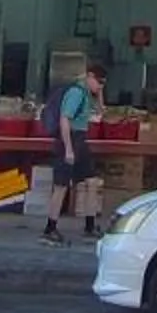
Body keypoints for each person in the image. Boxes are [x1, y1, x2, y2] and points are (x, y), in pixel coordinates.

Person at [43, 63, 104, 243]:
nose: (100, 86)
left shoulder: (86, 93)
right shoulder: (76, 93)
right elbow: (64, 119)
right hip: (69, 140)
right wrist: (69, 148)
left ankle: (90, 225)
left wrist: (99, 92)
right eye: (99, 82)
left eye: (103, 84)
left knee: (91, 181)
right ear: (89, 76)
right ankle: (50, 228)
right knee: (61, 185)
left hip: (80, 140)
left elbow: (101, 112)